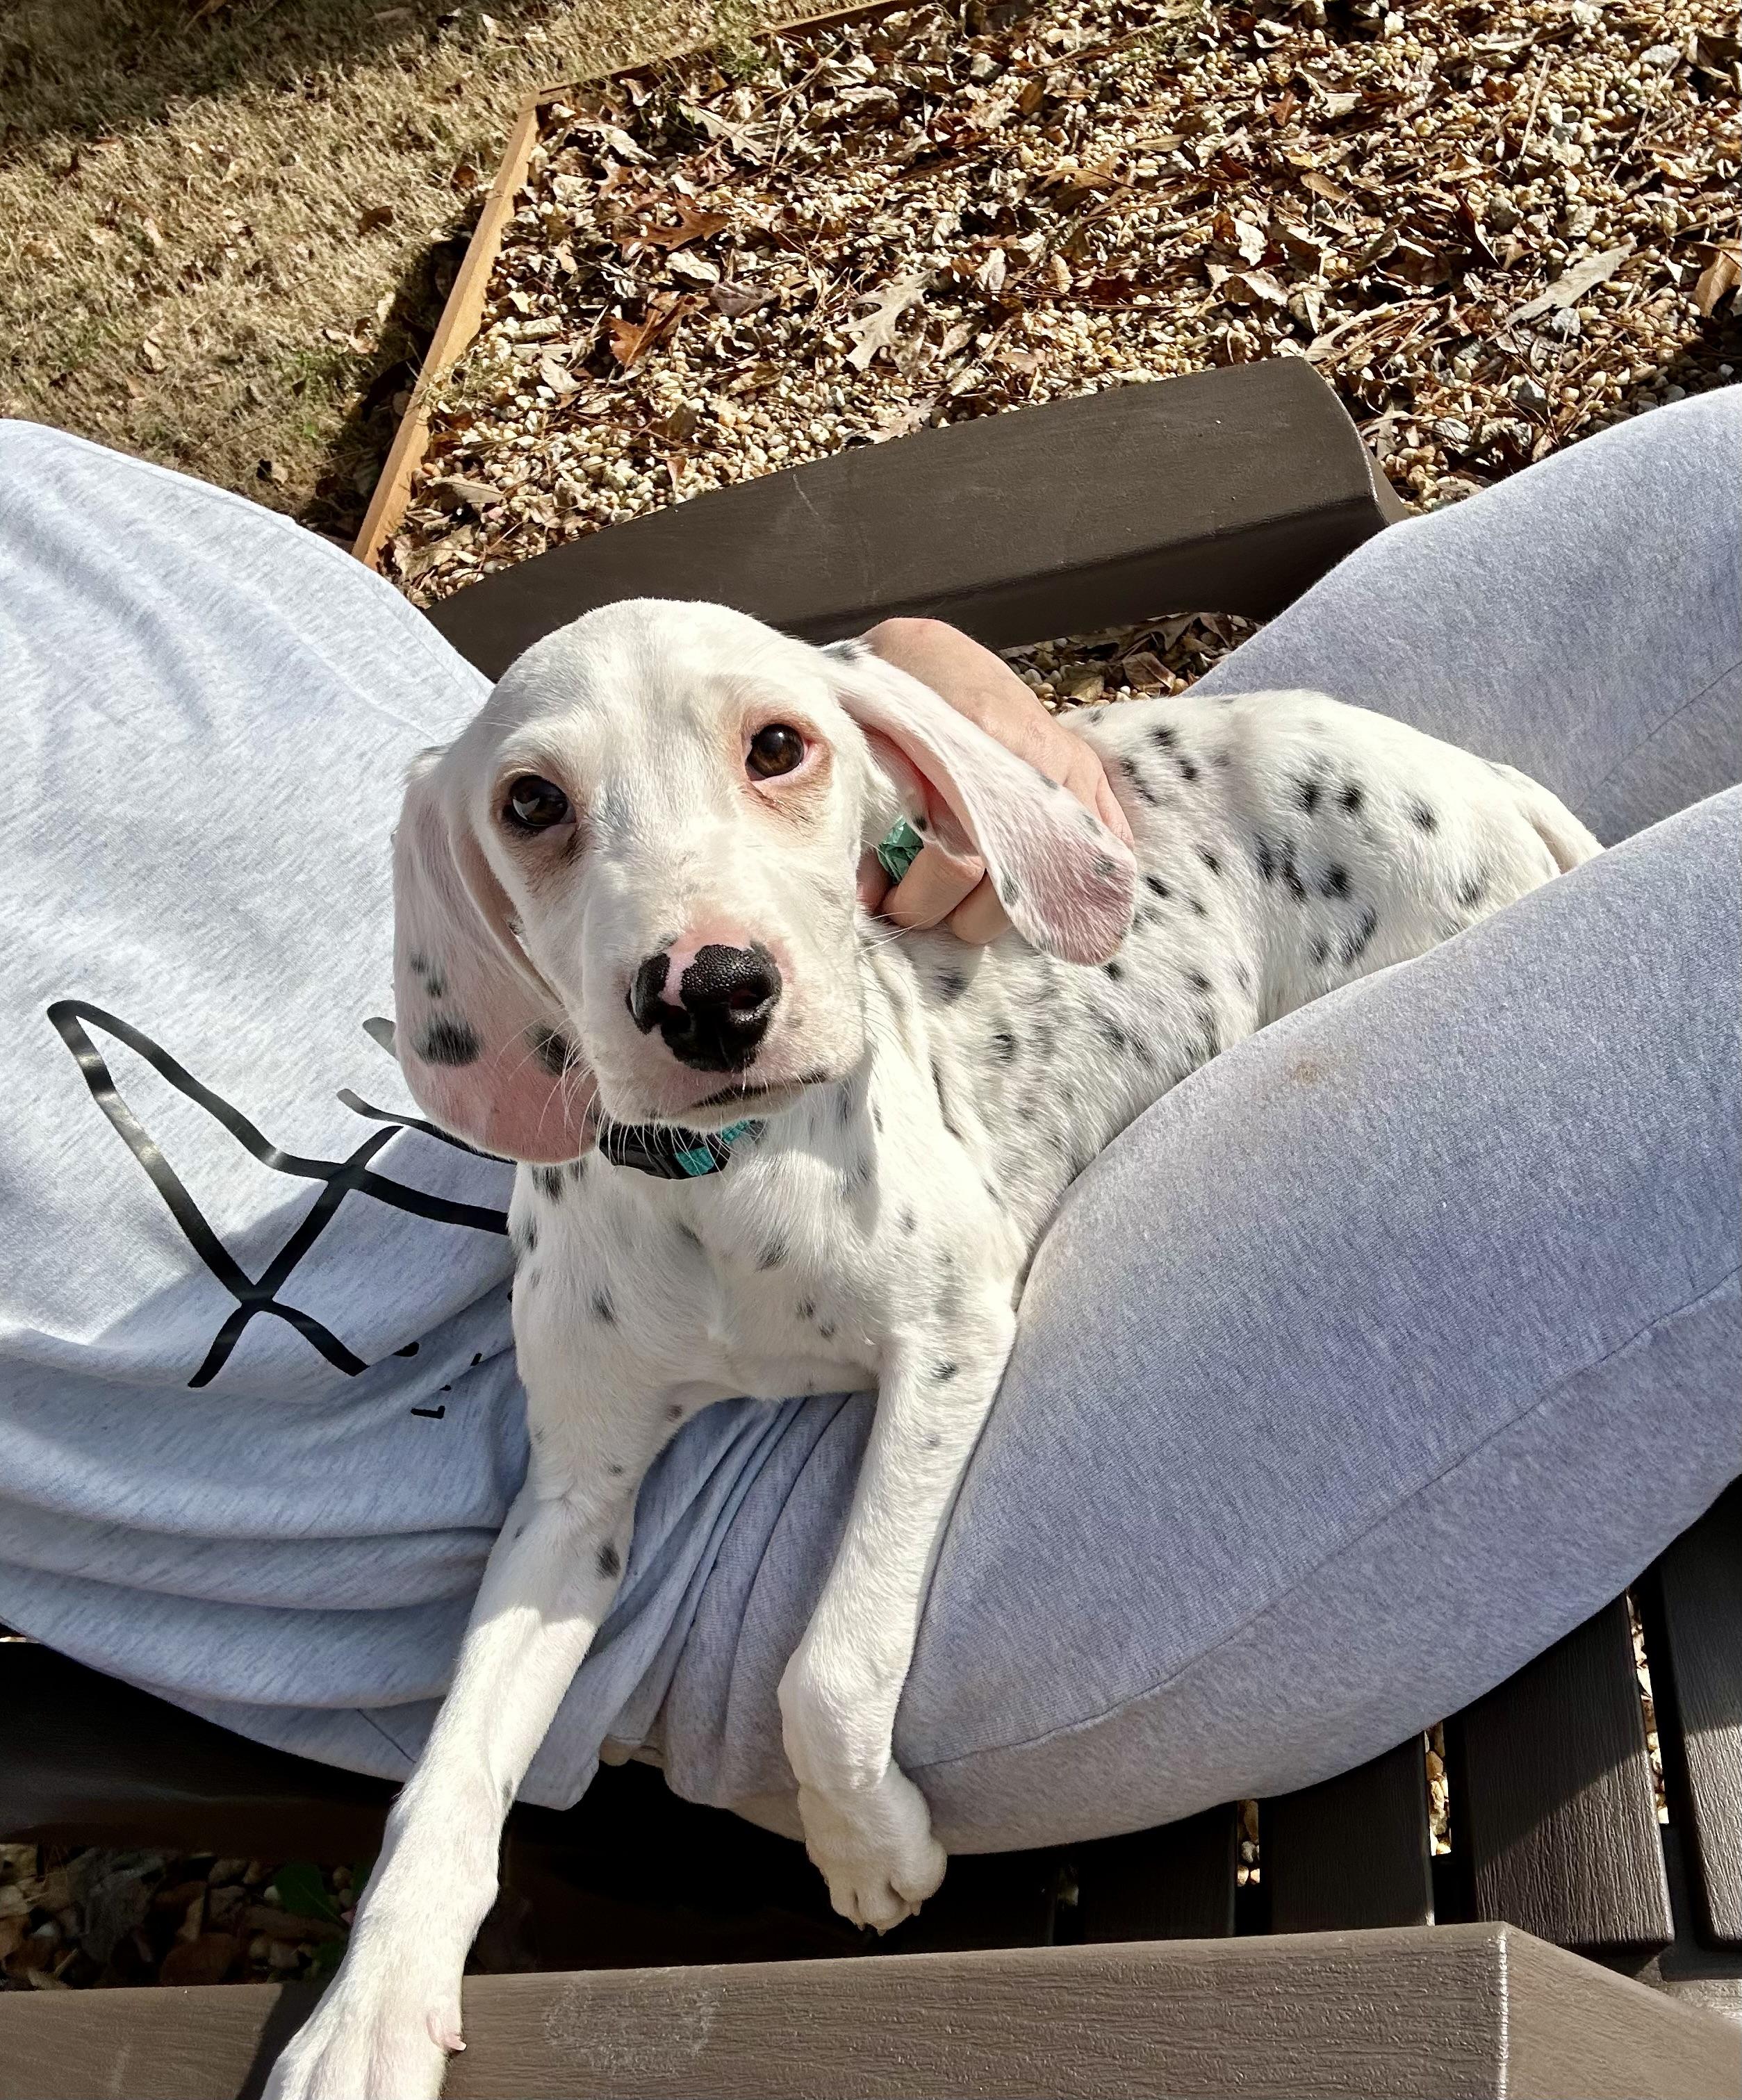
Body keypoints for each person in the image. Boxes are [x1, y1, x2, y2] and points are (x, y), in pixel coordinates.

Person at [0, 389, 1734, 1860]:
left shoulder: (45, 504)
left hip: (998, 965)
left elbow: (539, 723)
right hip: (750, 1541)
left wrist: (861, 708)